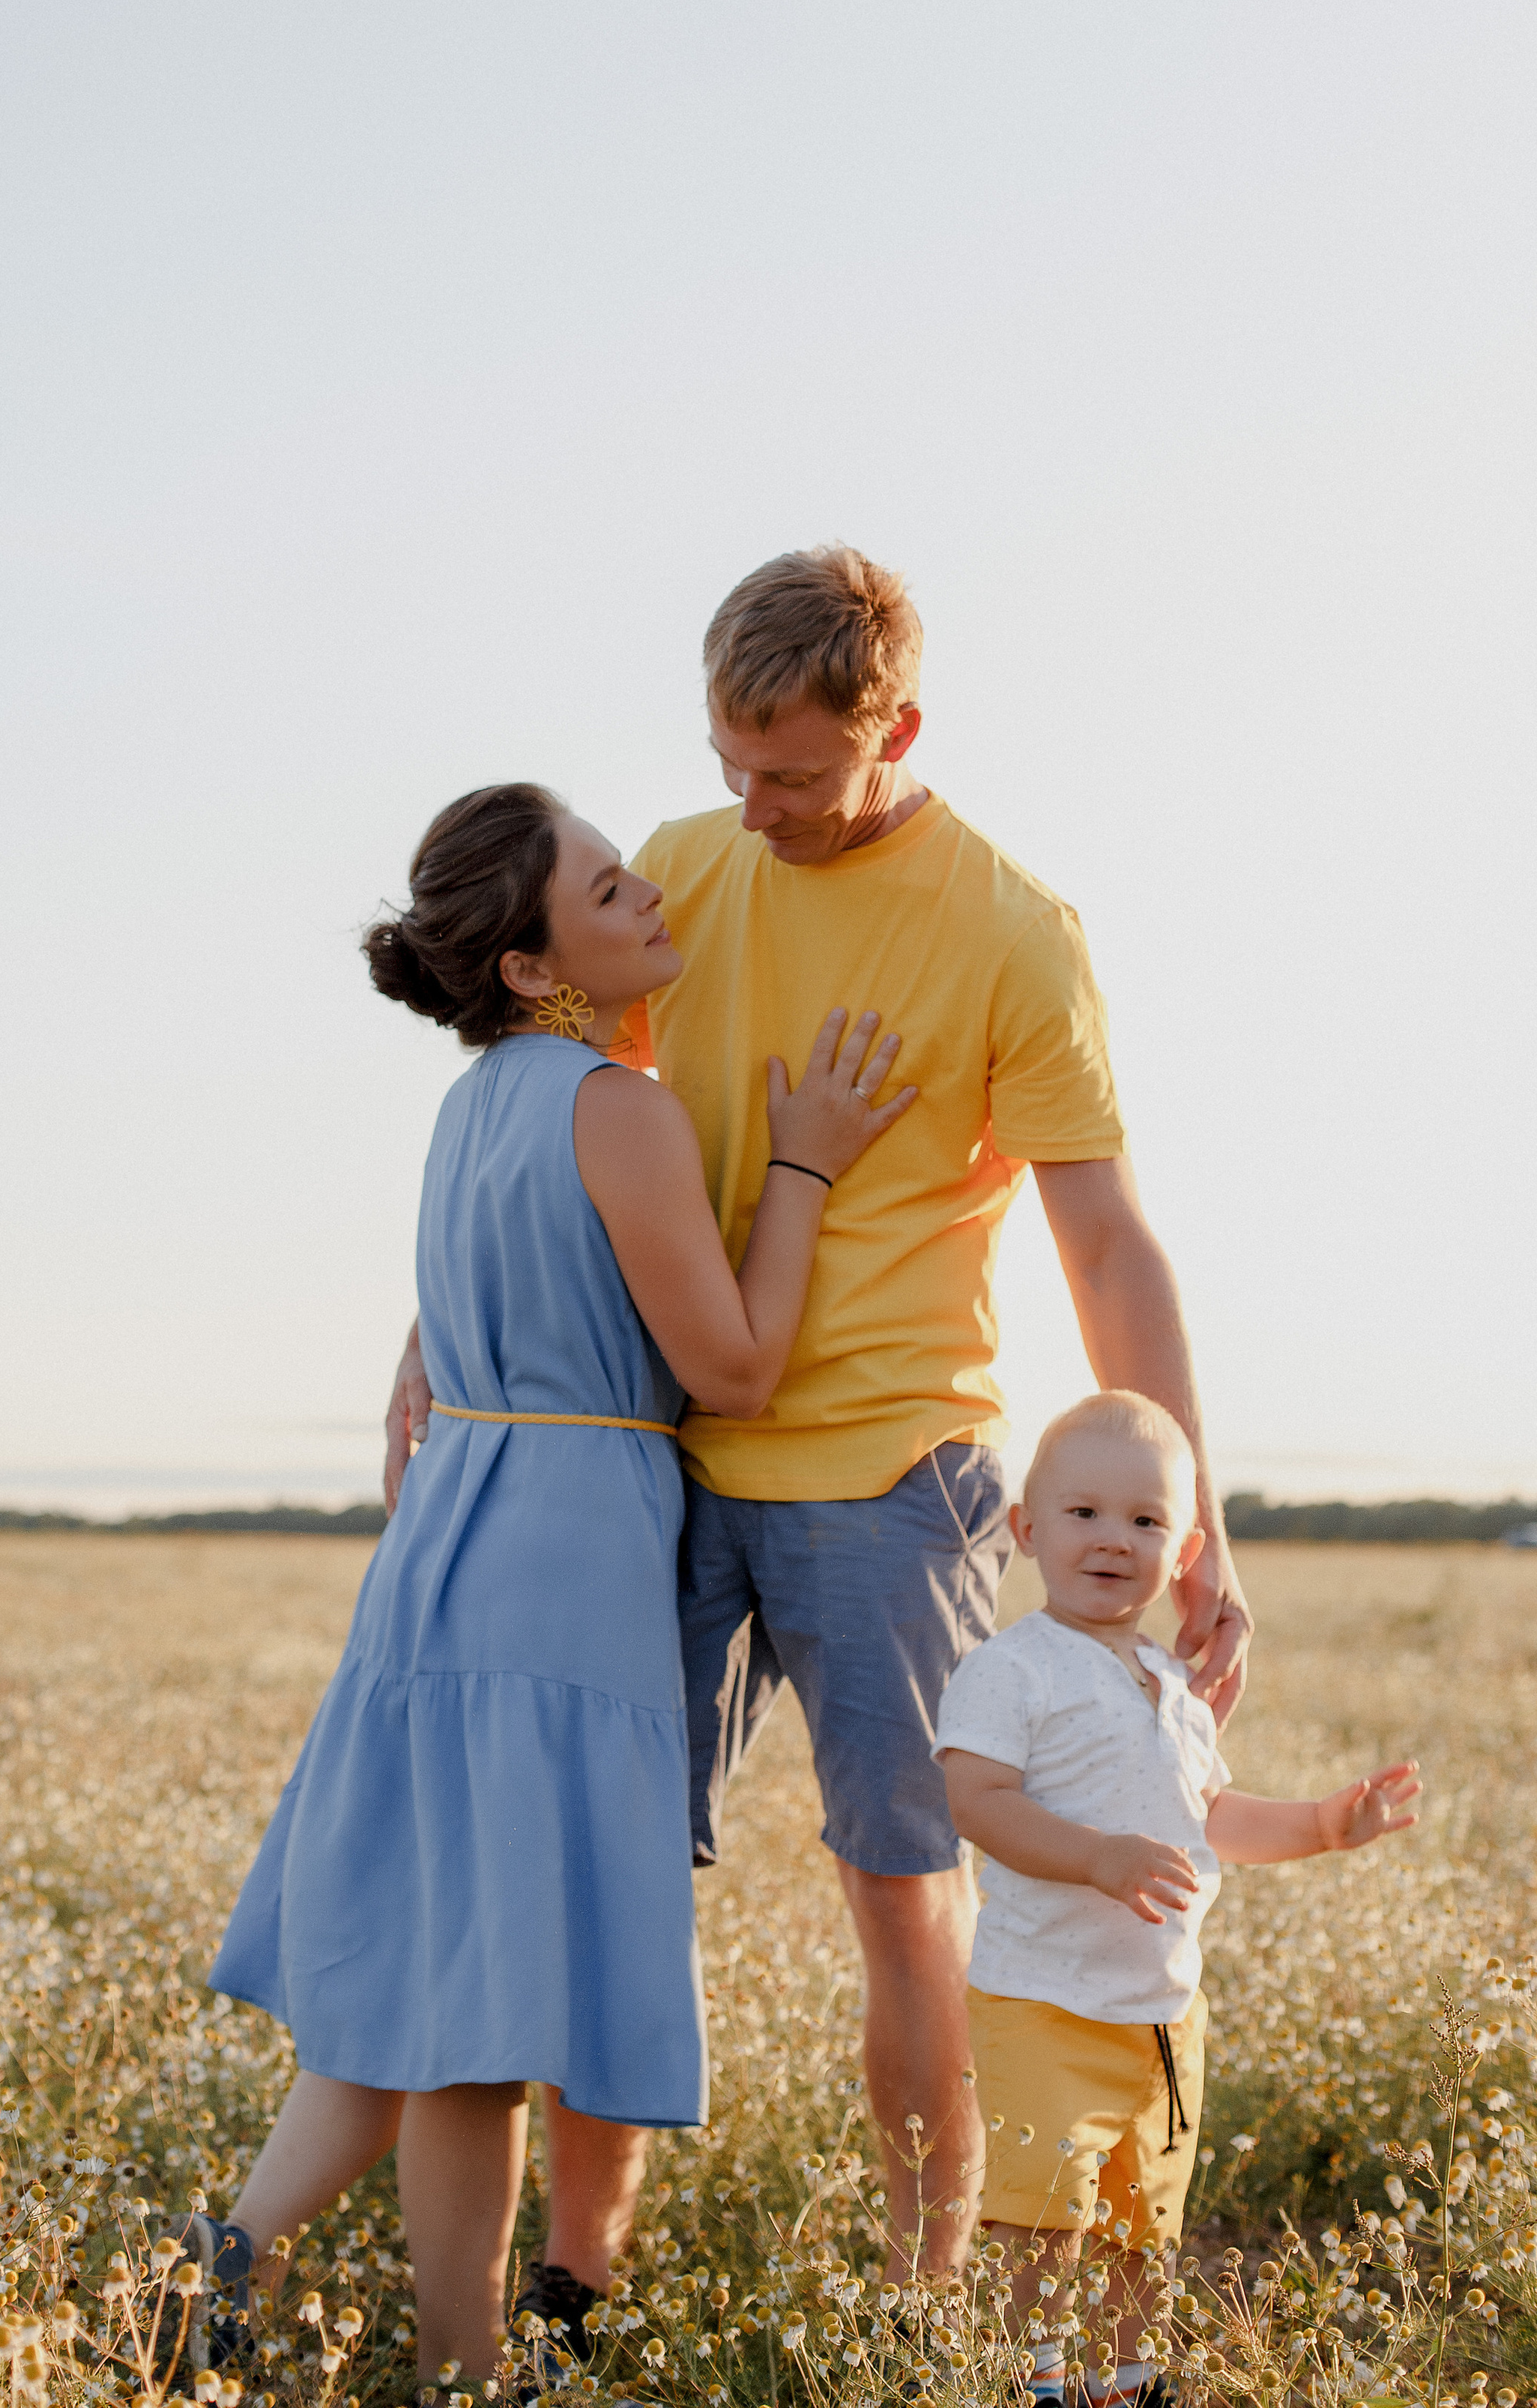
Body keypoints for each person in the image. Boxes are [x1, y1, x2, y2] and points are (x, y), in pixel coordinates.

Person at [386, 542, 1254, 2274]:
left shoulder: (1010, 930)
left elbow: (1102, 1239)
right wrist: (438, 1331)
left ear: (893, 729)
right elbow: (563, 1119)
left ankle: (919, 2299)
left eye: (787, 770)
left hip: (894, 1482)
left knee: (906, 1904)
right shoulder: (686, 875)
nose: (747, 803)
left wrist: (1197, 1517)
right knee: (609, 1889)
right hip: (662, 1469)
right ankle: (573, 2283)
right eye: (726, 760)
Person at [190, 781, 919, 2385]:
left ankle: (232, 2274)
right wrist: (799, 1166)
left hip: (448, 1543)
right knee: (486, 2013)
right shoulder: (617, 1108)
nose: (647, 895)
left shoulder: (474, 1108)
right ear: (533, 963)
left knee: (423, 1998)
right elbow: (729, 1367)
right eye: (606, 889)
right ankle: (452, 2366)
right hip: (563, 1550)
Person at [934, 1390, 1419, 2404]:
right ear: (1026, 1531)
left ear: (1186, 1548)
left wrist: (1327, 1825)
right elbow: (975, 1802)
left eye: (1147, 1521)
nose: (1116, 1540)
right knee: (1042, 2219)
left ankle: (1131, 2378)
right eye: (1084, 1514)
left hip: (1159, 2011)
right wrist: (1096, 1858)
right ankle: (1037, 2380)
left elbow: (1213, 1819)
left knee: (1142, 2222)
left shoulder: (1170, 1683)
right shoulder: (1010, 1668)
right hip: (1043, 2001)